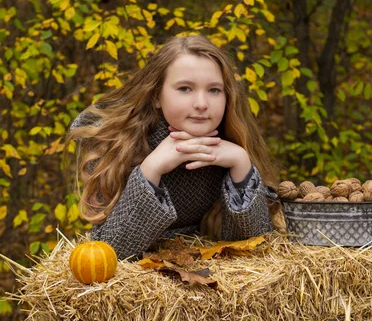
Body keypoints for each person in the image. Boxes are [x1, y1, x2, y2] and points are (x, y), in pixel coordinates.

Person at [65, 35, 279, 260]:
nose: (201, 104)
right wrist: (150, 171)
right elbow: (107, 254)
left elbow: (254, 251)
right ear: (156, 96)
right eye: (185, 88)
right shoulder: (120, 144)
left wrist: (241, 166)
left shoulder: (235, 139)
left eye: (214, 90)